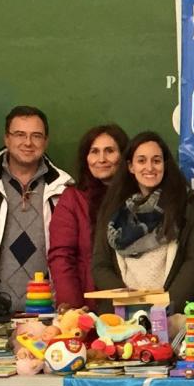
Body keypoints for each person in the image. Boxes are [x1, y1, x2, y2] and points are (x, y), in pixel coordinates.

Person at [89, 133, 194, 310]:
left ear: (165, 165)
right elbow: (101, 265)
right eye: (141, 161)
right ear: (131, 166)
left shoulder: (187, 205)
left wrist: (166, 306)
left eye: (156, 161)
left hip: (174, 313)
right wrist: (129, 303)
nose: (150, 167)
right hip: (123, 315)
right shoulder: (113, 209)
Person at [0, 106, 75, 311]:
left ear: (46, 141)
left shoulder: (65, 189)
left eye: (36, 136)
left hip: (47, 314)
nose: (28, 143)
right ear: (6, 138)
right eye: (19, 134)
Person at [47, 124, 129, 308]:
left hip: (135, 302)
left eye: (109, 151)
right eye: (94, 151)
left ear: (124, 156)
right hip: (88, 306)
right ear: (86, 158)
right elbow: (62, 257)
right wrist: (73, 308)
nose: (102, 159)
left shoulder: (139, 198)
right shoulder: (73, 199)